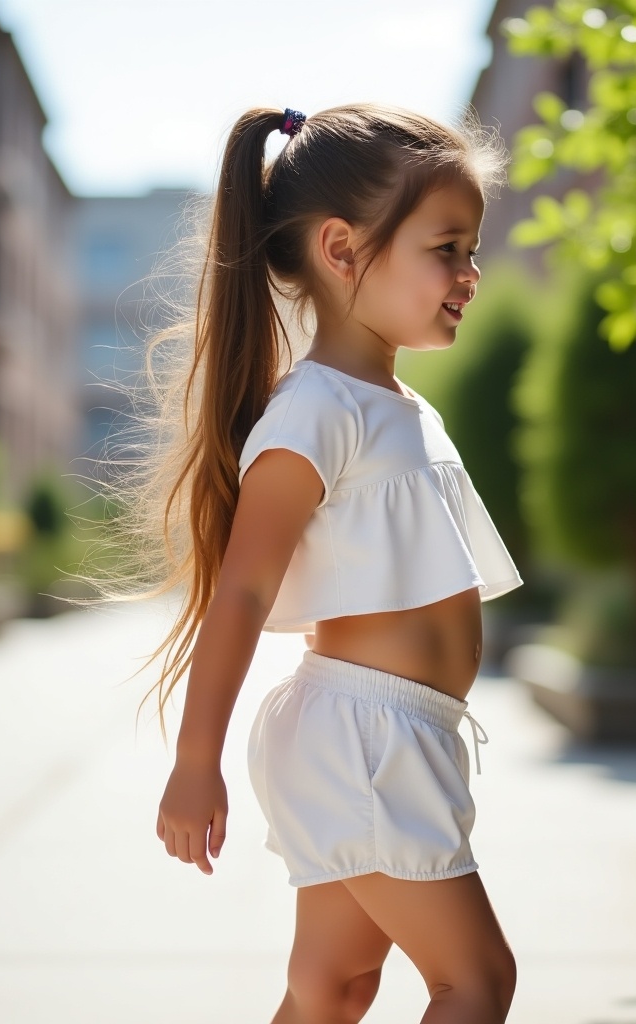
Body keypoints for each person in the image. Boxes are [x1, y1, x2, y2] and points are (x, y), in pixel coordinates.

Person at [149, 103, 523, 1024]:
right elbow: (240, 590)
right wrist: (196, 759)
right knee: (476, 983)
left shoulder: (397, 405)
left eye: (472, 249)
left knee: (333, 988)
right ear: (343, 250)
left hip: (396, 736)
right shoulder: (318, 411)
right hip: (365, 739)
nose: (470, 274)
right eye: (448, 248)